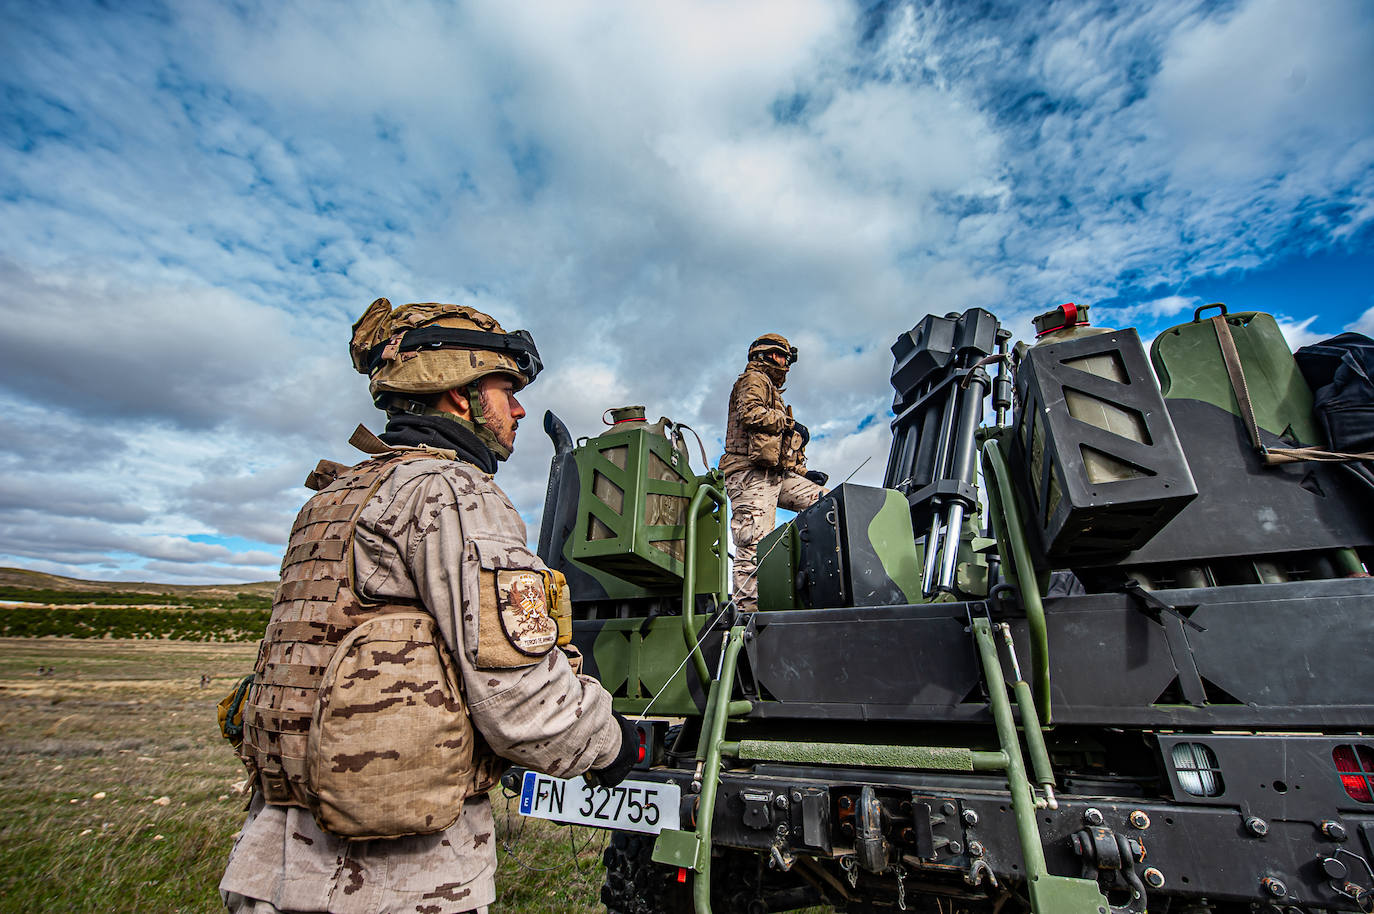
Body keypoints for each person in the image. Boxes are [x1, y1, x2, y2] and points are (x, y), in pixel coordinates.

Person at [220, 299, 636, 914]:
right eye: (505, 389)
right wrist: (614, 745)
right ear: (460, 395)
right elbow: (521, 698)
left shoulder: (333, 498)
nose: (518, 408)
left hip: (271, 867)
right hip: (391, 881)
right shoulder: (453, 494)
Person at [719, 333, 828, 611]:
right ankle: (746, 615)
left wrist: (804, 474)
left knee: (828, 503)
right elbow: (750, 413)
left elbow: (778, 450)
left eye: (788, 359)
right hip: (749, 473)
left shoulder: (773, 392)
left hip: (775, 475)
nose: (786, 365)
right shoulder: (753, 380)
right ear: (763, 356)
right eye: (781, 357)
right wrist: (788, 422)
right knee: (753, 543)